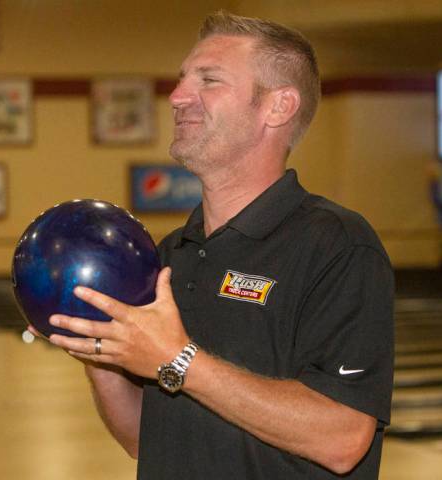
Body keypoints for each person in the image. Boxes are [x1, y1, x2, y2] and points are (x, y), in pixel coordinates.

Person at [39, 10, 394, 479]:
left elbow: (343, 437)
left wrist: (179, 359)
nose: (178, 96)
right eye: (183, 78)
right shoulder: (168, 255)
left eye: (209, 79)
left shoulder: (339, 247)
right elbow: (141, 438)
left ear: (278, 107)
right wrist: (100, 354)